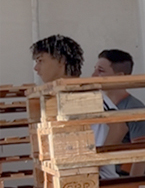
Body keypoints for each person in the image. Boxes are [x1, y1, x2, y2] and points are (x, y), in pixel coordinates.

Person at [31, 35, 123, 180]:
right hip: (67, 180)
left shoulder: (87, 92)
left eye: (40, 61)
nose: (36, 68)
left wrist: (95, 164)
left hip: (97, 181)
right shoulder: (56, 96)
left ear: (61, 61)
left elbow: (119, 127)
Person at [92, 49, 145, 176]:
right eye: (95, 69)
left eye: (101, 71)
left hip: (122, 177)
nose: (93, 75)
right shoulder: (97, 104)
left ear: (120, 76)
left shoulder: (134, 108)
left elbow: (141, 154)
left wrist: (132, 184)